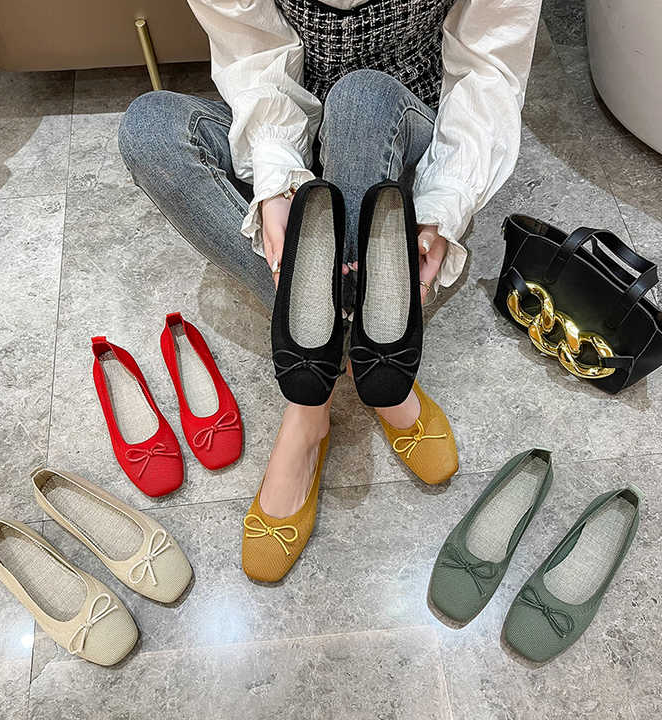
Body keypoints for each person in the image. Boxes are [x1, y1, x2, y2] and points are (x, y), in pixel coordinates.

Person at [119, 0, 541, 521]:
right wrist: (277, 181)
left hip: (396, 129)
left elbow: (488, 67)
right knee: (149, 130)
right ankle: (350, 337)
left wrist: (441, 206)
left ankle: (310, 386)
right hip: (292, 118)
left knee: (360, 96)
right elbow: (252, 47)